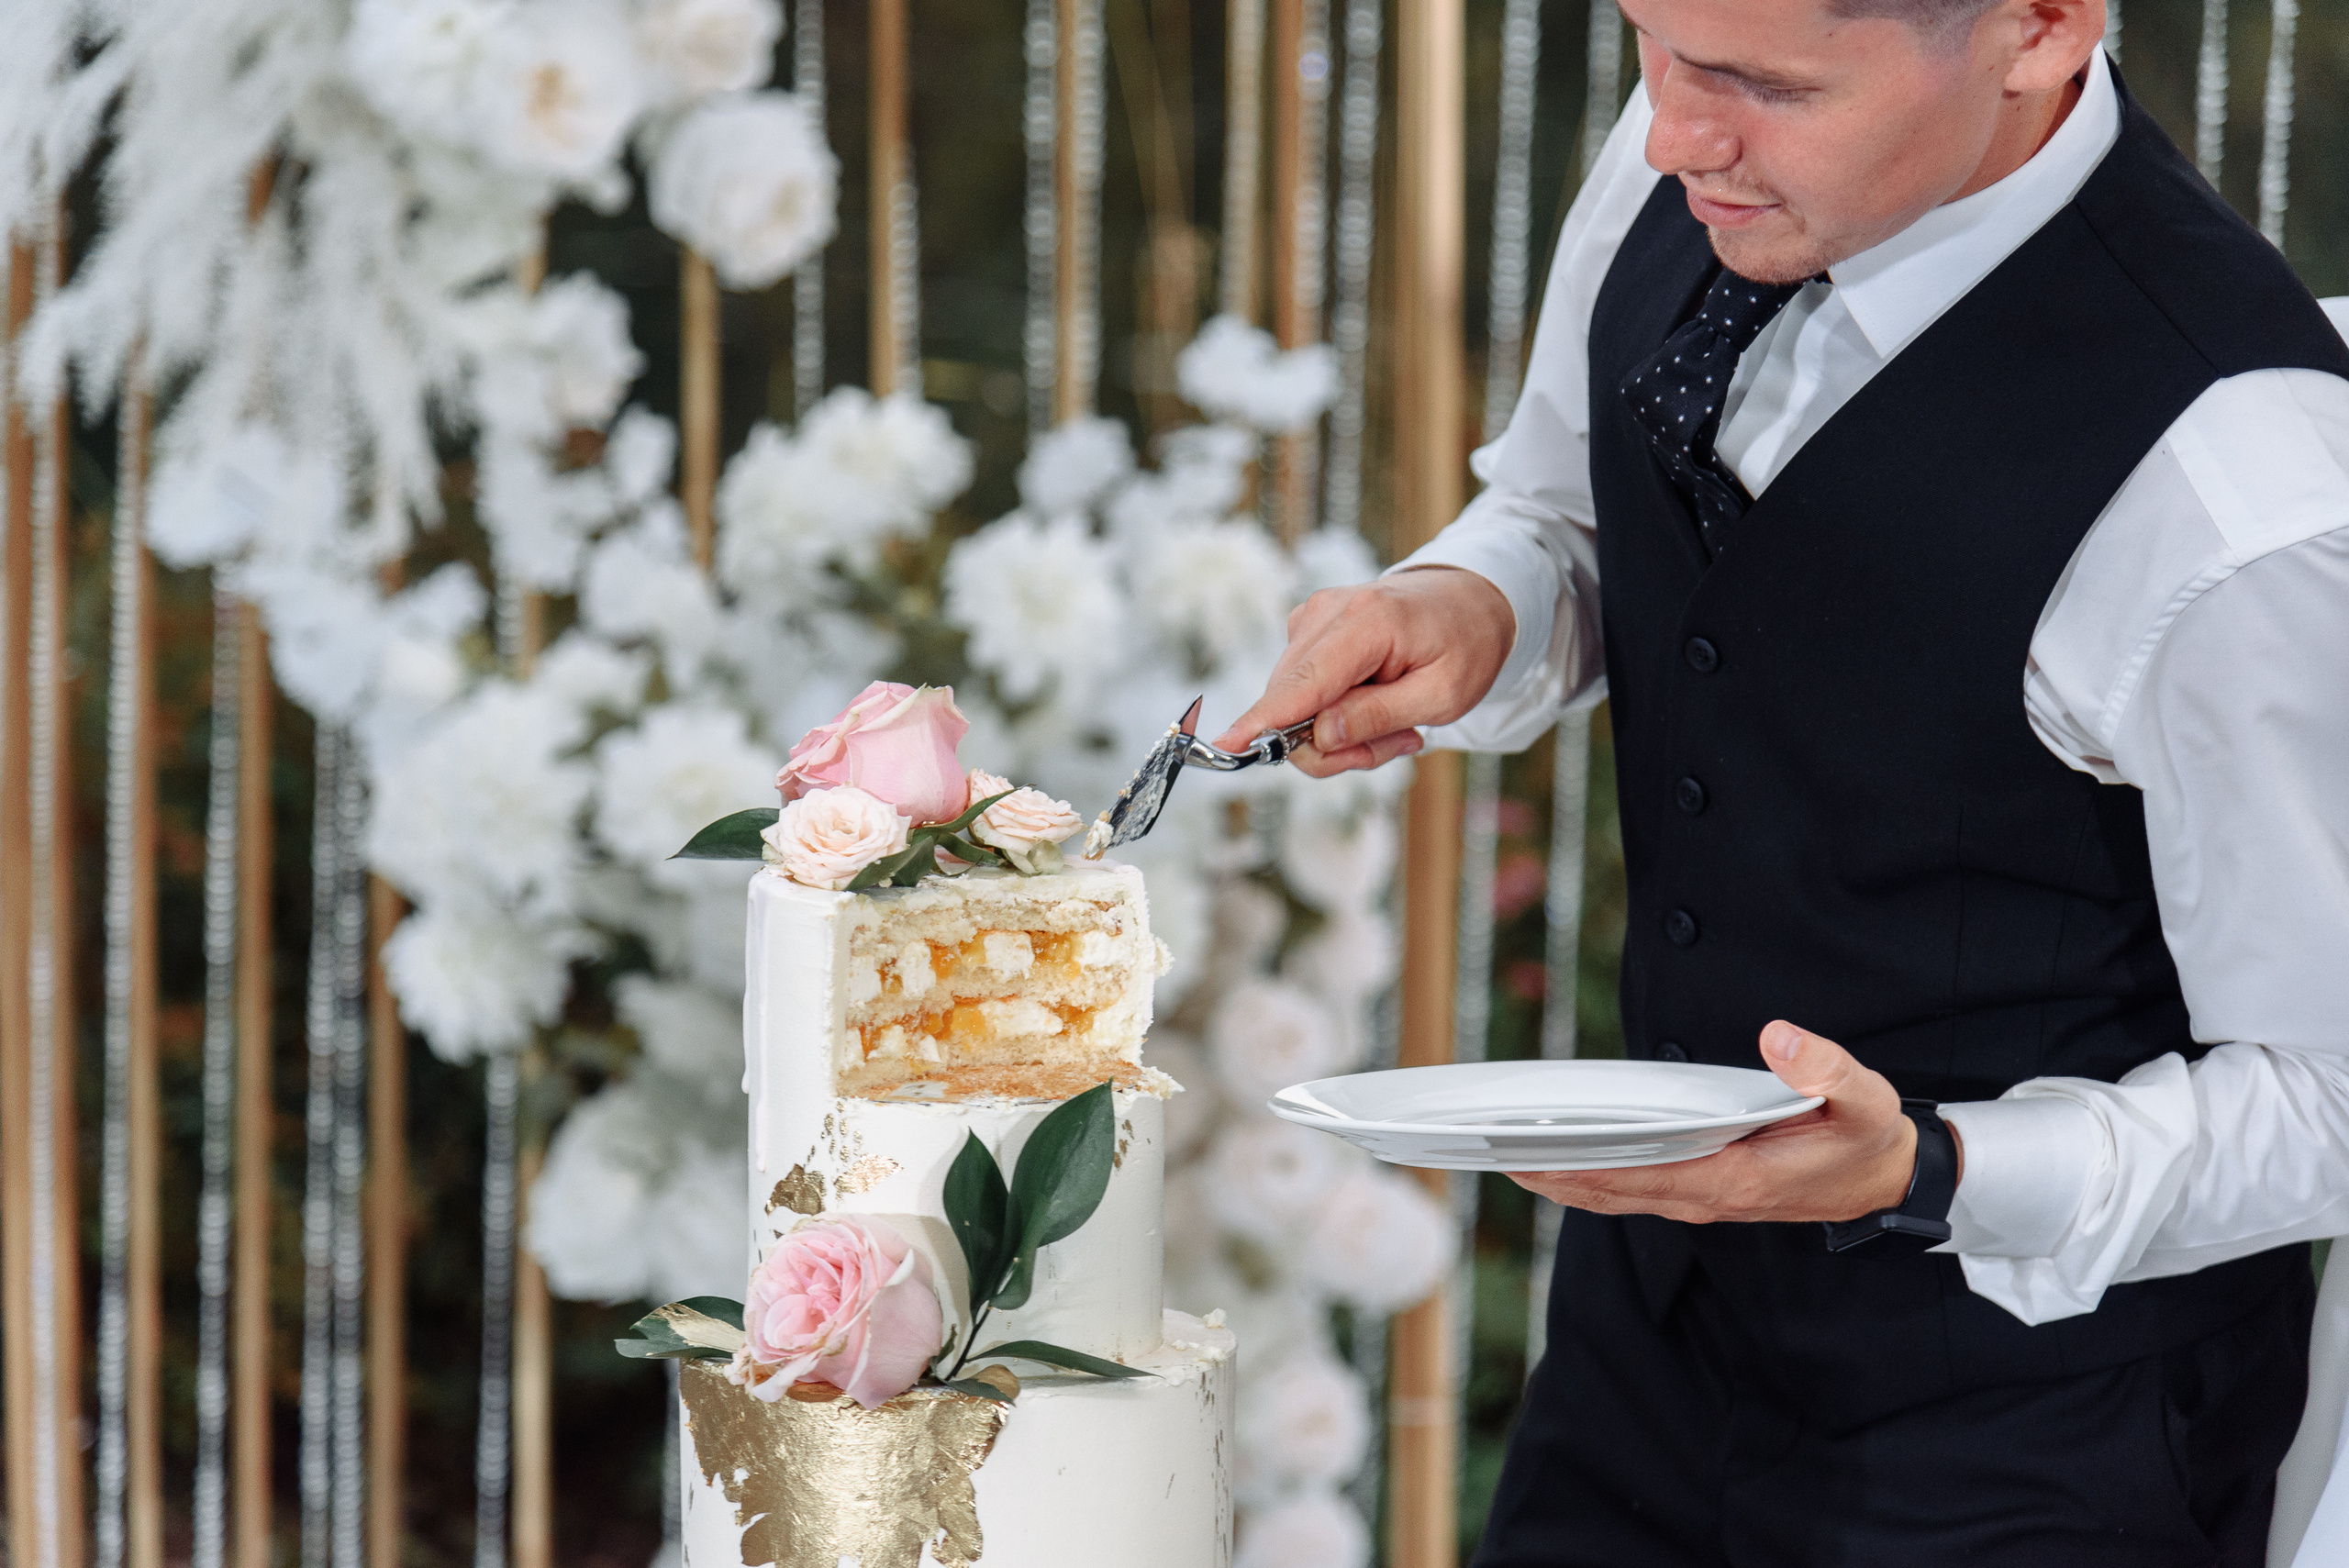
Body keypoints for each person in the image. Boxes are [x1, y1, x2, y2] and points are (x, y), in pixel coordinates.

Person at [1216, 0, 2349, 1561]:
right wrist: (1475, 601)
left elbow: (2329, 1095)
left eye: (1760, 82)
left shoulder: (2240, 492)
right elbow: (1564, 508)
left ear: (2037, 27)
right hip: (1639, 1364)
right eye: (1650, 42)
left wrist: (1936, 1170)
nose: (1674, 130)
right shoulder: (1701, 145)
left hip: (2035, 1443)